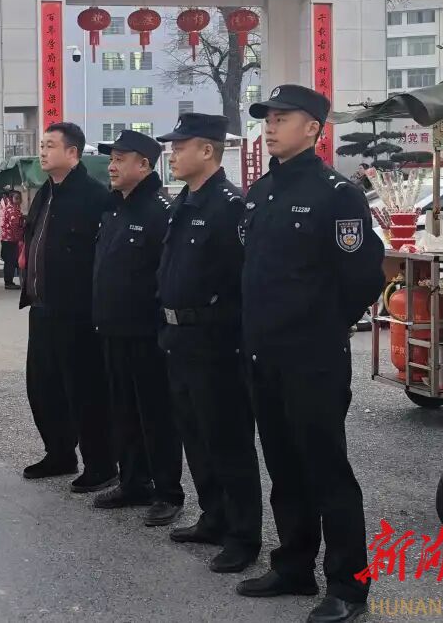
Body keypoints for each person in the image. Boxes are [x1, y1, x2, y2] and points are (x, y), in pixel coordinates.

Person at [236, 85, 384, 623]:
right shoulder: (260, 192)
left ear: (313, 128)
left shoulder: (336, 194)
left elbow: (362, 276)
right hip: (264, 354)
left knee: (326, 471)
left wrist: (321, 328)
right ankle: (294, 564)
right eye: (267, 118)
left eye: (282, 118)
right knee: (283, 466)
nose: (271, 126)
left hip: (312, 358)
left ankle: (349, 586)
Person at [157, 114, 262, 574]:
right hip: (179, 338)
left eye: (181, 147)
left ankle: (243, 535)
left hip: (216, 342)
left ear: (207, 151)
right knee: (195, 435)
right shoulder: (183, 201)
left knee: (228, 440)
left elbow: (244, 280)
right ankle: (213, 516)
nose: (172, 154)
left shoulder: (230, 205)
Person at [90, 130, 184, 527]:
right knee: (123, 410)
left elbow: (168, 276)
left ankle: (168, 491)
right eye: (111, 158)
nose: (111, 166)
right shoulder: (115, 208)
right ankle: (133, 481)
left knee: (156, 414)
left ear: (144, 165)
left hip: (147, 334)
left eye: (120, 159)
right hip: (113, 330)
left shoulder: (160, 211)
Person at [19, 122, 115, 493]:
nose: (42, 152)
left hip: (78, 313)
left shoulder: (94, 197)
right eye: (42, 145)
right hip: (42, 308)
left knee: (85, 390)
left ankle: (101, 464)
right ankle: (59, 453)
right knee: (43, 386)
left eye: (50, 146)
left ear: (72, 153)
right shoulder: (46, 193)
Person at [0, 190, 24, 290]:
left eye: (19, 198)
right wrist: (20, 236)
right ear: (11, 199)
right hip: (10, 239)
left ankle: (9, 281)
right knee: (10, 261)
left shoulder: (13, 209)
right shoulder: (12, 210)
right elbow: (14, 226)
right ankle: (8, 282)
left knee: (10, 261)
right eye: (16, 198)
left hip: (7, 239)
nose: (19, 200)